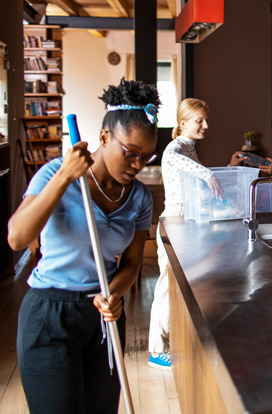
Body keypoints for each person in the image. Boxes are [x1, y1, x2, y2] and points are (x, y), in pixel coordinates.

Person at [8, 78, 160, 412]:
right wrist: (64, 176)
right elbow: (17, 237)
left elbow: (132, 262)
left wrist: (116, 293)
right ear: (104, 137)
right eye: (131, 153)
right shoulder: (55, 174)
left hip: (103, 316)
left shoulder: (139, 197)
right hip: (49, 314)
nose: (138, 165)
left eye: (146, 157)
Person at [147, 98, 246, 370]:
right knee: (167, 287)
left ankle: (175, 343)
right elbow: (173, 159)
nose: (206, 125)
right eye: (199, 121)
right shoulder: (176, 147)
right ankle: (157, 350)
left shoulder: (190, 148)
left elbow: (202, 185)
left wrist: (225, 168)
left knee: (183, 285)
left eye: (205, 119)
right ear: (182, 123)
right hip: (174, 220)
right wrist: (206, 174)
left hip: (186, 221)